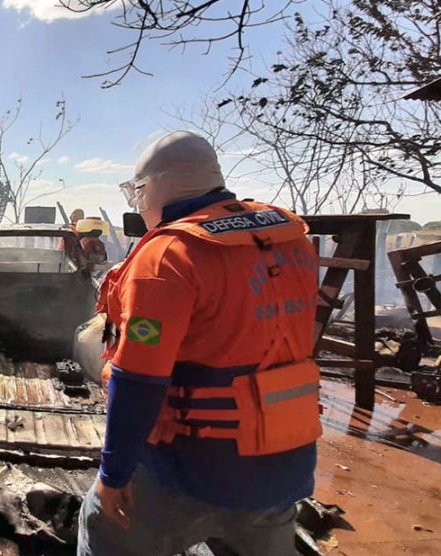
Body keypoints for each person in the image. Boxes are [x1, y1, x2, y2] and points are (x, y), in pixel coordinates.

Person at [78, 131, 321, 556]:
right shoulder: (291, 240)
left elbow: (136, 382)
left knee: (99, 521)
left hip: (188, 466)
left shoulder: (168, 254)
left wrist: (113, 474)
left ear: (155, 188)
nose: (138, 204)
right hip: (283, 465)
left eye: (138, 193)